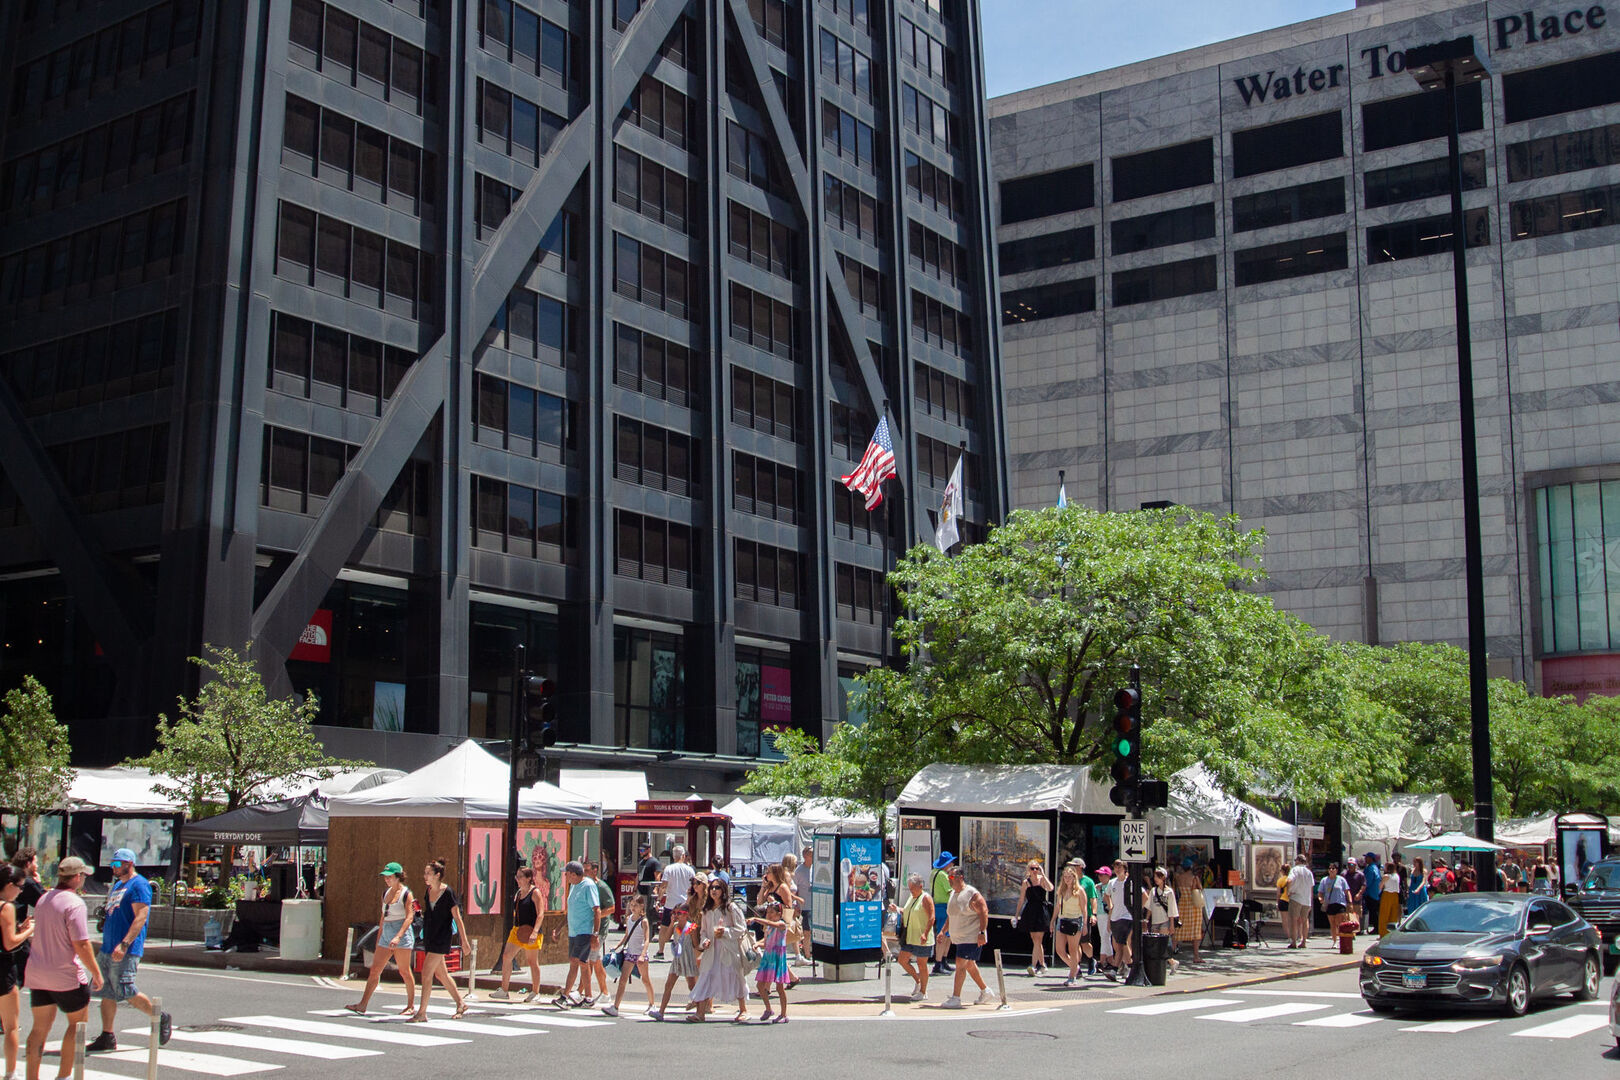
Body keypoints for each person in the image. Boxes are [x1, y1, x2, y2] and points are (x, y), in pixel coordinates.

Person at [24, 856, 103, 1080]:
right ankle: (64, 1076)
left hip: (38, 973)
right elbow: (81, 943)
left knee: (39, 1029)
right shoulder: (74, 903)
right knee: (77, 1025)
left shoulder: (44, 899)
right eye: (83, 876)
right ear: (77, 877)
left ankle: (32, 1077)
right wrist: (96, 973)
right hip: (65, 974)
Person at [86, 847, 171, 1053]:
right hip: (108, 946)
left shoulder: (139, 885)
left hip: (125, 948)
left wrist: (124, 944)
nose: (113, 868)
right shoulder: (118, 885)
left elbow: (141, 916)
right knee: (106, 991)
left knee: (125, 989)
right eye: (112, 864)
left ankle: (159, 1016)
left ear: (129, 864)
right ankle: (107, 1035)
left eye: (117, 864)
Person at [344, 861, 417, 1015]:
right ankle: (363, 1004)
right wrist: (379, 939)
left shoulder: (406, 894)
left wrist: (398, 937)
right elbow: (383, 917)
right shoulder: (385, 893)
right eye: (385, 877)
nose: (387, 879)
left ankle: (410, 1005)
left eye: (389, 876)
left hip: (401, 934)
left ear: (398, 877)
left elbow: (409, 917)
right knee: (375, 970)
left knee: (404, 971)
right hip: (386, 933)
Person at [407, 858, 470, 1022]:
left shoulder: (448, 892)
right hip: (429, 936)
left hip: (442, 938)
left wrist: (464, 941)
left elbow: (457, 917)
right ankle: (460, 1003)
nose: (425, 876)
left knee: (427, 973)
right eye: (425, 873)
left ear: (438, 875)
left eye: (428, 873)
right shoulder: (428, 891)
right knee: (442, 975)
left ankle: (422, 1012)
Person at [689, 877, 749, 1022]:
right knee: (706, 977)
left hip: (728, 949)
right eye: (712, 888)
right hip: (712, 951)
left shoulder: (730, 907)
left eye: (717, 888)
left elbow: (741, 928)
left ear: (723, 890)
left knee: (735, 976)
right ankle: (700, 1013)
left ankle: (743, 1010)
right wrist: (704, 942)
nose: (714, 891)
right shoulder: (707, 910)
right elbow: (704, 931)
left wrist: (726, 932)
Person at [651, 874, 706, 1021]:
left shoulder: (691, 927)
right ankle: (661, 1011)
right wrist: (671, 922)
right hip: (677, 958)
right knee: (669, 984)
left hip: (688, 957)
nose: (678, 916)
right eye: (676, 913)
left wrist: (700, 950)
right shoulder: (675, 926)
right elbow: (666, 937)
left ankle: (701, 1011)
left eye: (680, 913)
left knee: (692, 985)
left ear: (687, 915)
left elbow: (695, 944)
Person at [0, 865, 35, 1080]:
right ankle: (10, 1073)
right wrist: (29, 931)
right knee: (11, 1025)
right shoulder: (6, 907)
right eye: (20, 887)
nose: (21, 892)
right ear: (10, 885)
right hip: (3, 967)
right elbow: (9, 942)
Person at [940, 864, 990, 1008]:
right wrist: (943, 931)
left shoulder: (971, 894)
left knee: (960, 963)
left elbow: (983, 911)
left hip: (971, 936)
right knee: (969, 965)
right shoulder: (952, 893)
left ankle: (956, 998)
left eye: (951, 877)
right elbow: (952, 915)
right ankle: (985, 990)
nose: (949, 879)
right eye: (948, 877)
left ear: (960, 877)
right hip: (959, 937)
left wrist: (982, 932)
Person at [492, 866, 544, 1002]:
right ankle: (504, 990)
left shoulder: (535, 892)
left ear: (528, 878)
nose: (518, 879)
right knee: (507, 956)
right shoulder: (519, 893)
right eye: (517, 877)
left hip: (532, 931)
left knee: (532, 962)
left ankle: (535, 991)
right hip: (518, 930)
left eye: (520, 877)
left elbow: (541, 914)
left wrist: (535, 932)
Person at [555, 860, 602, 1008]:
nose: (566, 877)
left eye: (567, 874)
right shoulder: (573, 886)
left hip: (584, 931)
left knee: (575, 961)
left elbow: (597, 910)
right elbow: (571, 910)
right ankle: (588, 997)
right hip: (574, 932)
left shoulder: (588, 886)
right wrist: (559, 928)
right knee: (582, 963)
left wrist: (595, 934)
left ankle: (565, 996)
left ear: (574, 874)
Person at [601, 894, 655, 1017]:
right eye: (631, 905)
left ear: (642, 907)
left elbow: (647, 939)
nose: (633, 908)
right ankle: (615, 1007)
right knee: (622, 979)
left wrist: (642, 954)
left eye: (635, 905)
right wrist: (617, 946)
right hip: (630, 954)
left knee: (645, 980)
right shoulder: (629, 919)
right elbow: (626, 935)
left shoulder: (644, 921)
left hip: (640, 954)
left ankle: (652, 1004)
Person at [748, 898, 797, 1022]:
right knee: (760, 985)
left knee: (780, 987)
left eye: (771, 913)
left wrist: (755, 919)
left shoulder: (781, 924)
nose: (768, 915)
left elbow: (772, 925)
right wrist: (758, 944)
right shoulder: (768, 928)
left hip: (777, 957)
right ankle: (768, 1009)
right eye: (768, 912)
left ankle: (784, 1014)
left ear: (779, 914)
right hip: (768, 957)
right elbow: (767, 941)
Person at [891, 872, 935, 999]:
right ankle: (918, 980)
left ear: (920, 886)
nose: (911, 891)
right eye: (910, 888)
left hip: (922, 937)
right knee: (902, 960)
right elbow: (908, 911)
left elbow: (932, 917)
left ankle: (923, 991)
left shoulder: (926, 898)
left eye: (913, 888)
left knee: (922, 964)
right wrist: (898, 909)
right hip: (910, 936)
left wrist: (925, 933)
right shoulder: (912, 897)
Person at [1050, 865, 1089, 987]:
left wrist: (1085, 925)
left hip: (1075, 920)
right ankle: (1074, 967)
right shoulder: (1061, 890)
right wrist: (1052, 921)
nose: (1067, 879)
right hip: (1063, 919)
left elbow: (1084, 909)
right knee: (1060, 950)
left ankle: (1072, 976)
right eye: (1065, 877)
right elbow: (1058, 906)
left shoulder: (1080, 890)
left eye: (1069, 877)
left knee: (1073, 949)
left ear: (1074, 877)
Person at [655, 845, 695, 961]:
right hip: (685, 903)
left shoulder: (669, 869)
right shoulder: (690, 870)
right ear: (683, 856)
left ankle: (661, 950)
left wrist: (658, 900)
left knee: (664, 928)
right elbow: (693, 887)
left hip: (670, 903)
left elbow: (663, 886)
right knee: (686, 927)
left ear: (673, 856)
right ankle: (686, 949)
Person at [9, 850, 41, 990]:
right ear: (28, 863)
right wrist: (37, 883)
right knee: (15, 979)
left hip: (13, 929)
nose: (37, 865)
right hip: (15, 935)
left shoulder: (9, 874)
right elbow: (43, 901)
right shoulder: (26, 882)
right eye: (35, 862)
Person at [1014, 860, 1052, 976]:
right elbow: (1021, 899)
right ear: (1028, 870)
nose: (1035, 871)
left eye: (1037, 868)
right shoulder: (1026, 882)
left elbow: (1050, 888)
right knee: (1035, 939)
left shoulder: (1042, 880)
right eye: (1032, 868)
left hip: (1041, 911)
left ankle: (1033, 965)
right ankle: (1043, 964)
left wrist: (1043, 874)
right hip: (1030, 911)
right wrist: (1016, 914)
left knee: (1038, 939)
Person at [586, 860, 614, 995]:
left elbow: (611, 908)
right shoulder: (585, 885)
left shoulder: (601, 887)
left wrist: (596, 916)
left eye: (587, 870)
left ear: (595, 870)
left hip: (599, 930)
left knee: (592, 960)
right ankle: (589, 991)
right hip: (586, 929)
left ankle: (598, 992)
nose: (584, 873)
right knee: (591, 961)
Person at [1105, 860, 1136, 978]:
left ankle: (1115, 969)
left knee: (1123, 943)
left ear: (1125, 868)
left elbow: (1144, 895)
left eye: (1119, 867)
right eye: (1115, 867)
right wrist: (1110, 905)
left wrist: (1135, 910)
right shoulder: (1112, 883)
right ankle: (1130, 967)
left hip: (1127, 917)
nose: (1117, 869)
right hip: (1115, 917)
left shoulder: (1130, 883)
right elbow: (1106, 895)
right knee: (1118, 945)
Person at [929, 852, 956, 976]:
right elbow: (951, 890)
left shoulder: (934, 873)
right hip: (944, 907)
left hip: (938, 906)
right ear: (947, 864)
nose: (953, 864)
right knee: (943, 936)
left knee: (947, 936)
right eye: (951, 863)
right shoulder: (943, 875)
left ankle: (943, 961)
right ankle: (938, 963)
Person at [1285, 854, 1315, 948]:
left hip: (1296, 897)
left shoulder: (1295, 869)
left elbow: (1289, 880)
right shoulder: (1308, 872)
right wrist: (1310, 900)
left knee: (1293, 920)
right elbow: (1311, 887)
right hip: (1306, 899)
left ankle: (1294, 942)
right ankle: (1304, 942)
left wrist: (1288, 891)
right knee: (1304, 920)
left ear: (1298, 861)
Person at [1316, 861, 1349, 945]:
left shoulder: (1341, 880)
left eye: (1333, 868)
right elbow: (1320, 892)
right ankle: (1335, 941)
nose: (1331, 870)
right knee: (1332, 924)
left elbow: (1346, 891)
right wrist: (1321, 898)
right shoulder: (1324, 880)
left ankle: (1341, 940)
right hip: (1329, 904)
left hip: (1340, 903)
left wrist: (1350, 902)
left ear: (1336, 870)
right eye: (1329, 868)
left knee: (1339, 923)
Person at [1378, 859, 1402, 937]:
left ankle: (1383, 933)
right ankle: (1391, 932)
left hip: (1387, 894)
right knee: (1393, 914)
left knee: (1384, 914)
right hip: (1395, 895)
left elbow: (1380, 886)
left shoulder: (1386, 876)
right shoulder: (1397, 876)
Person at [1361, 852, 1383, 935]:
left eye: (1366, 857)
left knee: (1373, 911)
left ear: (1370, 858)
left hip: (1371, 893)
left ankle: (1377, 928)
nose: (1365, 859)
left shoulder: (1371, 868)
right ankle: (1377, 927)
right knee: (1374, 911)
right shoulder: (1374, 867)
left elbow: (1368, 882)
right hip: (1375, 893)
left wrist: (1363, 889)